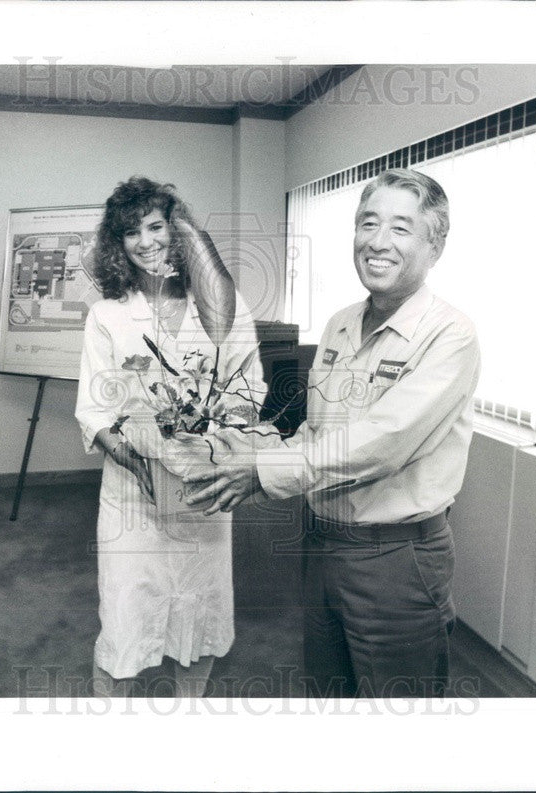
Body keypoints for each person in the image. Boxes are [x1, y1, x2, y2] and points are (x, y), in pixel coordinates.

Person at [185, 169, 482, 698]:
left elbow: (381, 445)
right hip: (323, 545)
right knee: (328, 697)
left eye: (400, 228)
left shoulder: (450, 335)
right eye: (368, 224)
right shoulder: (341, 324)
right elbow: (321, 432)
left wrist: (263, 472)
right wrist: (254, 446)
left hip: (395, 559)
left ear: (435, 245)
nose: (378, 242)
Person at [75, 176, 266, 697]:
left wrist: (220, 424)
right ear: (117, 244)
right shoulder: (108, 315)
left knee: (198, 608)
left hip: (203, 487)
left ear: (177, 232)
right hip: (133, 494)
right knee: (125, 609)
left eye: (155, 226)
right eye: (130, 232)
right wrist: (132, 456)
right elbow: (93, 409)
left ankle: (187, 721)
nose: (145, 241)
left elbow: (250, 385)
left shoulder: (225, 306)